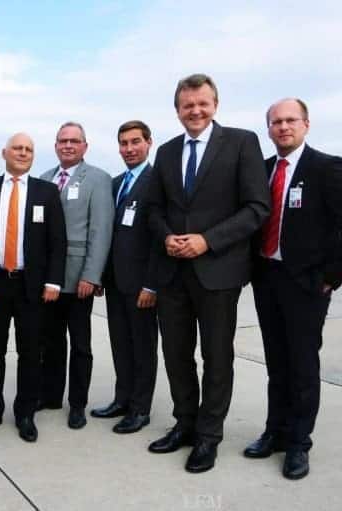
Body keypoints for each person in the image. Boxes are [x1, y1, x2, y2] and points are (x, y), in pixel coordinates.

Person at [146, 73, 270, 473]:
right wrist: (166, 237)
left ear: (215, 104)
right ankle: (184, 424)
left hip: (218, 271)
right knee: (176, 355)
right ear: (177, 109)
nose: (195, 111)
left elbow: (256, 208)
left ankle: (208, 436)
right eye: (187, 106)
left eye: (202, 104)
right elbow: (153, 209)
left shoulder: (241, 142)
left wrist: (207, 240)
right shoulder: (165, 152)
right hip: (172, 273)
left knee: (217, 357)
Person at [244, 98, 342, 479]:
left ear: (306, 124)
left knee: (302, 364)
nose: (283, 127)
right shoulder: (264, 171)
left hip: (307, 284)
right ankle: (276, 432)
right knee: (276, 362)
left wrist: (332, 276)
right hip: (268, 278)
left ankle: (299, 443)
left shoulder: (327, 168)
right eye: (276, 122)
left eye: (290, 120)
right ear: (268, 129)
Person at [0, 133, 66, 443]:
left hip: (32, 287)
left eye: (28, 149)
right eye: (17, 148)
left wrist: (53, 281)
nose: (23, 153)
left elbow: (57, 241)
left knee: (30, 352)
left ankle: (25, 412)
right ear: (4, 153)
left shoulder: (46, 192)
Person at [39, 122, 114, 429]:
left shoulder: (97, 179)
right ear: (55, 145)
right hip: (49, 280)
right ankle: (52, 395)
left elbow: (101, 230)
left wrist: (92, 275)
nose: (67, 145)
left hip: (79, 278)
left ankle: (78, 404)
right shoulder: (44, 179)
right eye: (62, 141)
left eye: (74, 141)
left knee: (80, 345)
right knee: (52, 341)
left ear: (85, 146)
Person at [92, 120, 159, 434]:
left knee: (142, 346)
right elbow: (108, 233)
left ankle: (140, 408)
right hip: (117, 282)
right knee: (121, 343)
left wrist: (152, 283)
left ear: (149, 143)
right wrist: (102, 276)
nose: (129, 149)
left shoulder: (158, 181)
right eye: (124, 143)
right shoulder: (116, 183)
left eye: (135, 142)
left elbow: (161, 237)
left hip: (142, 284)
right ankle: (122, 398)